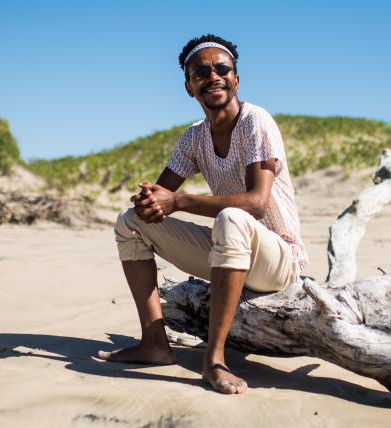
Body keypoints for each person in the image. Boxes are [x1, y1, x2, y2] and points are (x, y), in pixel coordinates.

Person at [98, 34, 308, 395]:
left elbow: (257, 203)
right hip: (231, 251)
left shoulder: (256, 121)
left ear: (236, 79)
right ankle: (154, 343)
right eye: (201, 72)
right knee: (130, 223)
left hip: (280, 260)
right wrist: (148, 201)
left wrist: (178, 202)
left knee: (232, 217)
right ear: (189, 87)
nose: (213, 76)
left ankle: (214, 361)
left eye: (222, 68)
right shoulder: (194, 137)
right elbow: (160, 196)